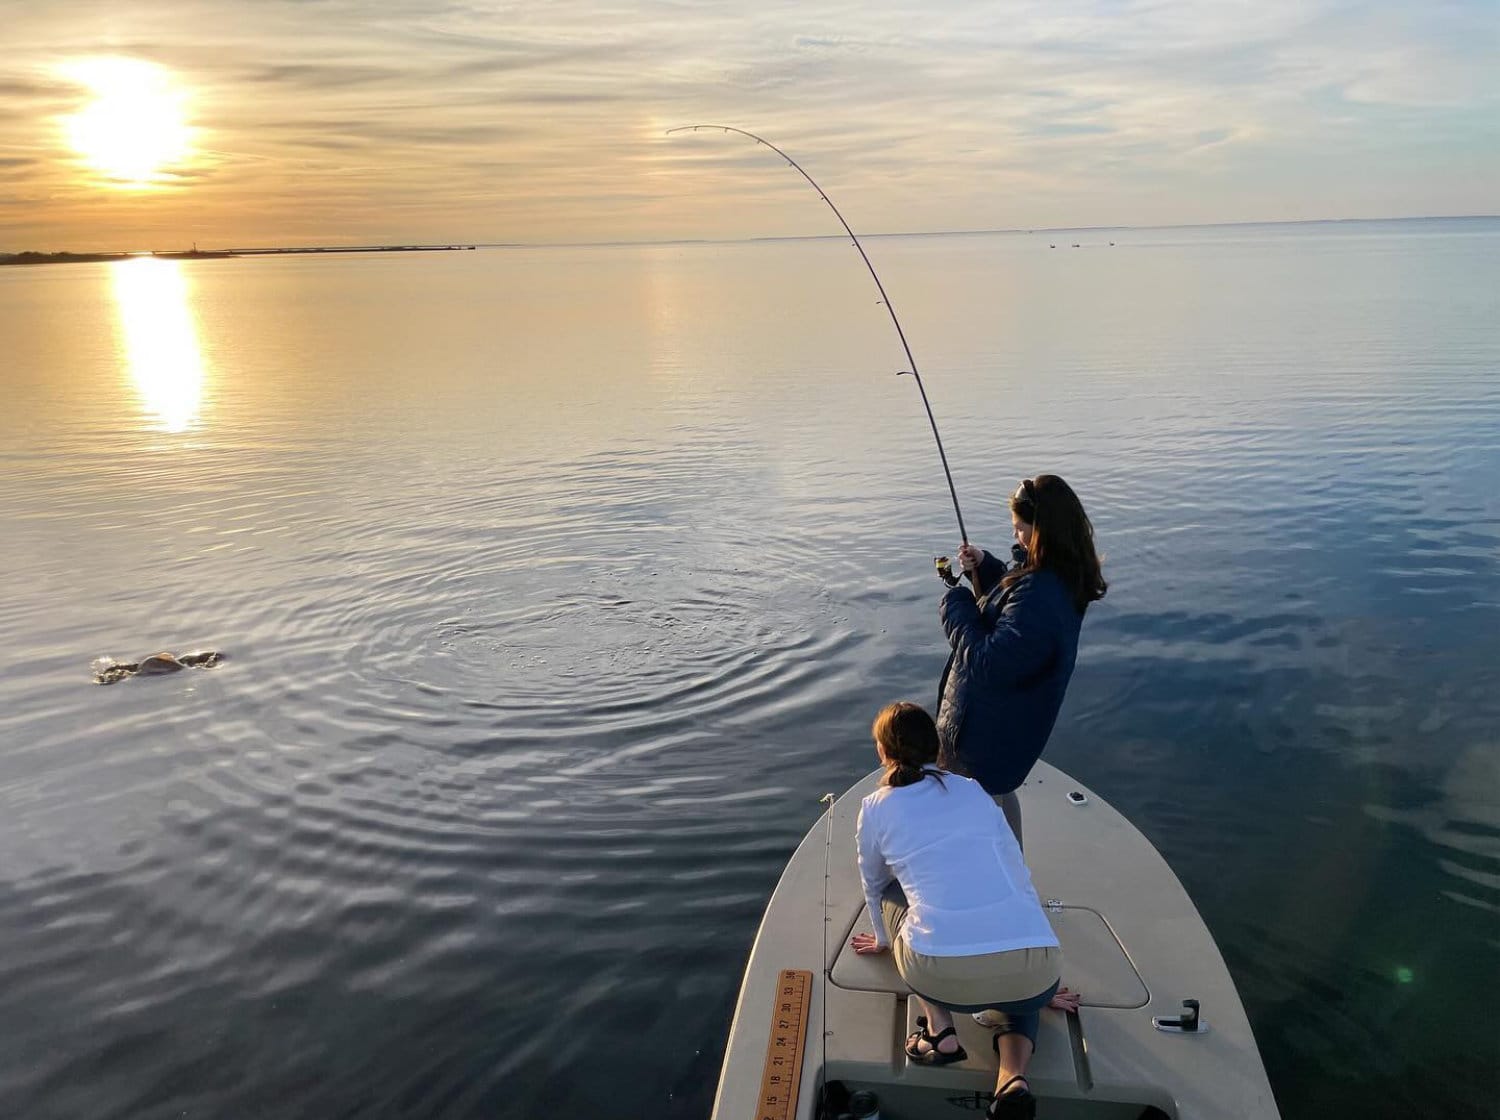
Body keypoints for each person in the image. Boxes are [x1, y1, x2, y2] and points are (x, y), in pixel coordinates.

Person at [850, 701, 1071, 1120]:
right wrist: (1042, 980)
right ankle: (1012, 1079)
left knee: (899, 899)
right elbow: (1016, 868)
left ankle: (941, 1032)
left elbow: (873, 884)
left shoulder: (875, 807)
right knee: (1019, 994)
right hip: (1039, 970)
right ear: (936, 747)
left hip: (938, 975)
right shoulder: (973, 789)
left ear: (883, 752)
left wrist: (881, 939)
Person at [937, 474, 1106, 847]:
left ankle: (998, 890)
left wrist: (956, 604)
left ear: (1043, 531)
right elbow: (1015, 607)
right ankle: (1013, 876)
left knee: (980, 815)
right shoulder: (1053, 576)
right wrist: (985, 567)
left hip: (989, 736)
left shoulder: (1043, 595)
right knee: (996, 799)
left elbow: (992, 663)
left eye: (1021, 530)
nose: (1017, 537)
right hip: (1001, 733)